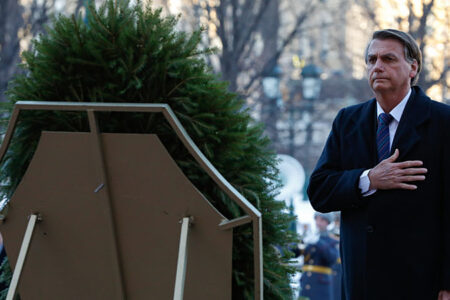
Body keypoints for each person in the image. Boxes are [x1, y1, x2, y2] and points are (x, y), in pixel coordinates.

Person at [307, 29, 450, 300]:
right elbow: (319, 191)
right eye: (371, 60)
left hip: (421, 282)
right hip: (361, 282)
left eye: (388, 59)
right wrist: (368, 179)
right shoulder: (347, 121)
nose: (378, 67)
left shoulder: (443, 121)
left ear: (413, 67)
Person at [299, 212, 338, 300]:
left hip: (322, 285)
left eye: (322, 220)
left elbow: (332, 259)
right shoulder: (310, 238)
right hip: (306, 282)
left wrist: (318, 243)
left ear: (328, 222)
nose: (318, 222)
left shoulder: (332, 240)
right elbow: (295, 253)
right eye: (317, 219)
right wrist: (302, 239)